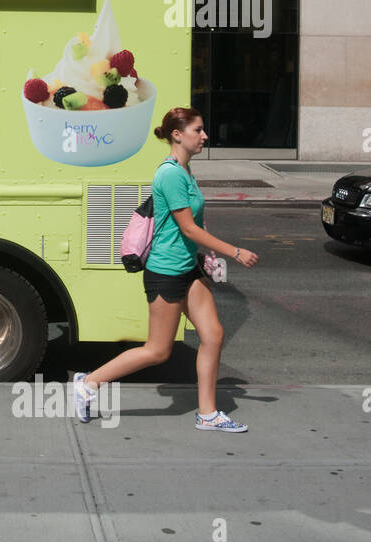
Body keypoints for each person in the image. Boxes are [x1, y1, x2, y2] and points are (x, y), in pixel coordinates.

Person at [74, 107, 260, 432]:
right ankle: (89, 383)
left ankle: (208, 414)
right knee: (158, 350)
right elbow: (188, 228)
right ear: (178, 134)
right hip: (166, 271)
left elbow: (189, 229)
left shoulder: (185, 171)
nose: (204, 136)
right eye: (198, 130)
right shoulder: (170, 174)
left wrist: (203, 258)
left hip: (186, 268)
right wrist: (235, 251)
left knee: (213, 334)